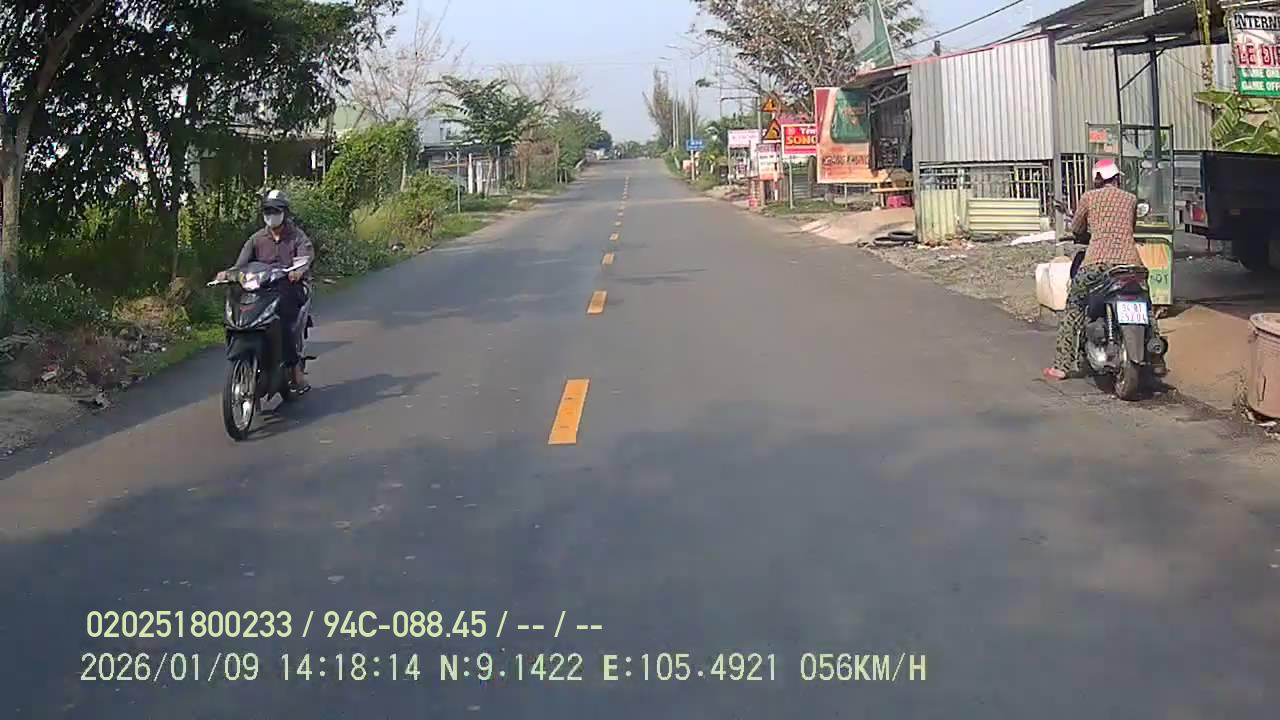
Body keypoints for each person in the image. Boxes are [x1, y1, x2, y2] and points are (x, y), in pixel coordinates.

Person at [1044, 159, 1163, 381]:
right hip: (1131, 264)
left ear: (1097, 179)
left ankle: (1061, 366)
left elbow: (1077, 227)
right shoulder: (1130, 199)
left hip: (1097, 264)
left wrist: (1085, 233)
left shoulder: (1089, 197)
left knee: (1074, 305)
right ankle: (1157, 358)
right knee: (1145, 304)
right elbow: (1130, 228)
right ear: (1117, 178)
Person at [216, 189, 314, 394]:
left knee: (284, 320)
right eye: (267, 210)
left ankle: (294, 369)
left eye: (275, 210)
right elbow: (240, 264)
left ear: (285, 212)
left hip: (289, 287)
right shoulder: (256, 239)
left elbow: (305, 257)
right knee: (239, 310)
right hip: (261, 289)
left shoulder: (297, 237)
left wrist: (298, 271)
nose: (271, 215)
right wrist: (227, 273)